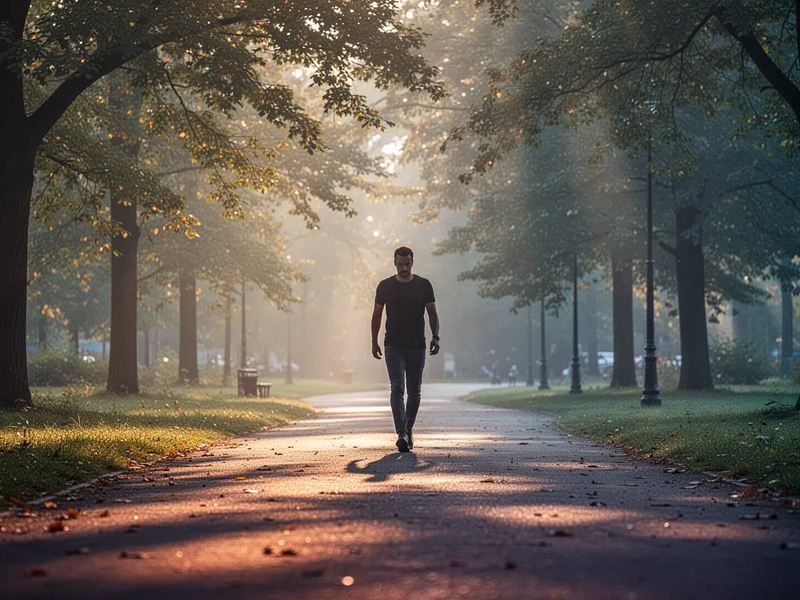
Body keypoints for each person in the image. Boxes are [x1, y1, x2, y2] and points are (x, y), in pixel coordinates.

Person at [371, 246, 440, 453]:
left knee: (415, 392)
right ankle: (401, 432)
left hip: (417, 345)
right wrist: (373, 341)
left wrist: (436, 336)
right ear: (394, 263)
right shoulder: (385, 286)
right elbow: (376, 316)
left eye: (407, 264)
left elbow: (433, 314)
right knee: (397, 388)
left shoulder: (424, 285)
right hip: (393, 345)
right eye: (400, 264)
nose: (404, 268)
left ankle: (408, 429)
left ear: (412, 262)